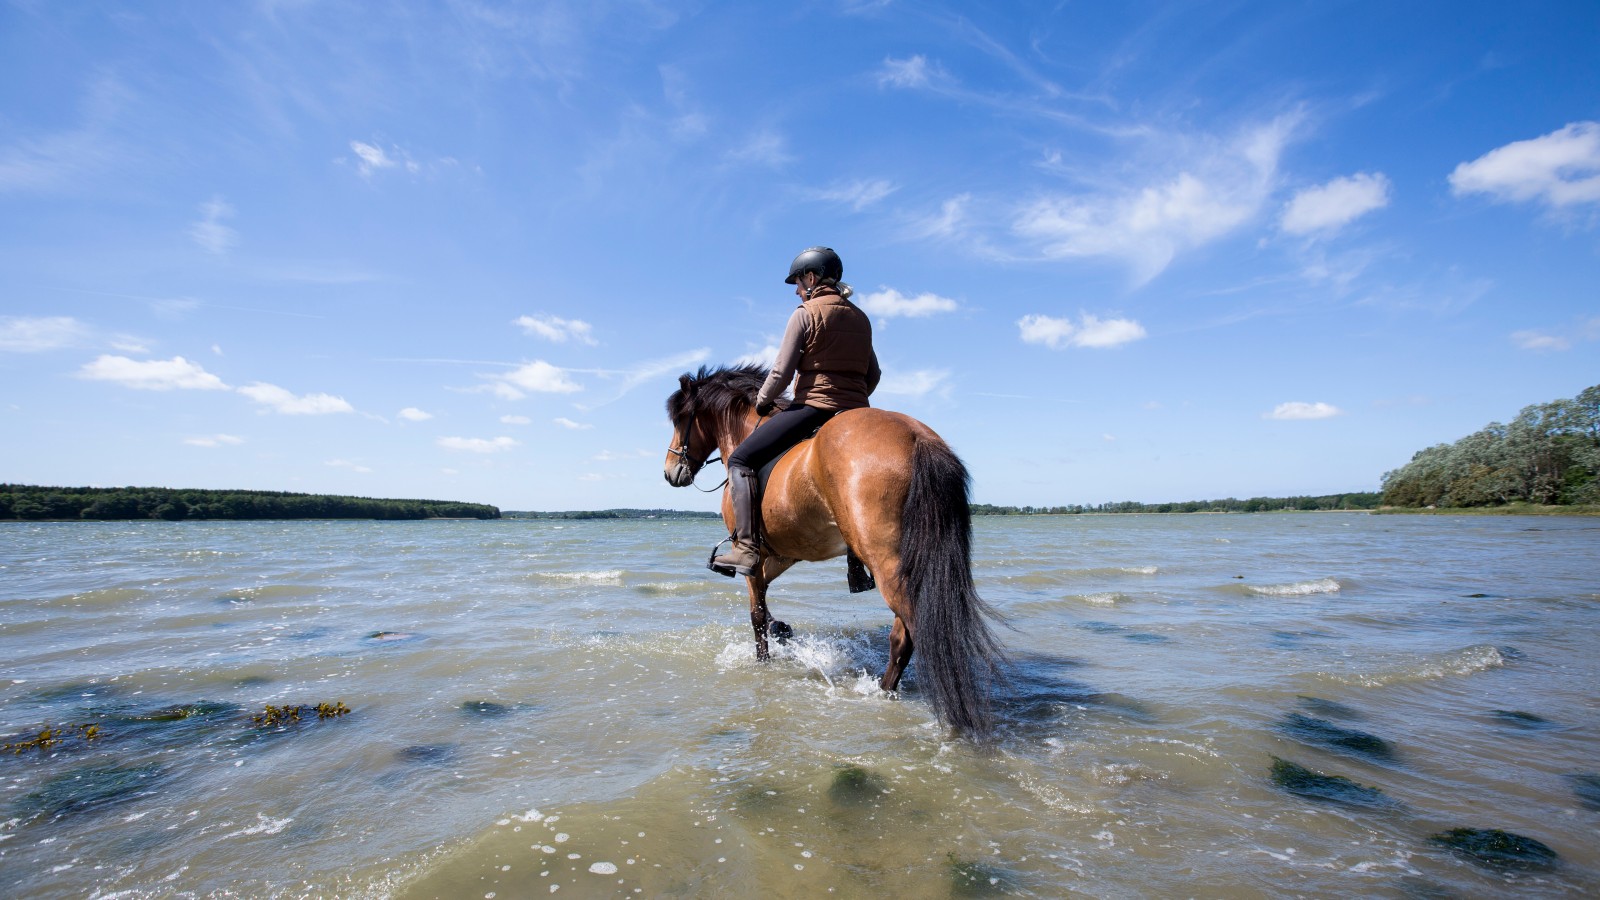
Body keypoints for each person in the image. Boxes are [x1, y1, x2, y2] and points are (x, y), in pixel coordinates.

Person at [712, 246, 881, 576]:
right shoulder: (860, 317)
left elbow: (781, 372)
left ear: (812, 278)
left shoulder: (805, 313)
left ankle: (745, 549)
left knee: (740, 460)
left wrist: (763, 401)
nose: (796, 290)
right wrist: (852, 399)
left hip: (814, 408)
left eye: (798, 282)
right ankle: (857, 565)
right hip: (857, 411)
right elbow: (873, 374)